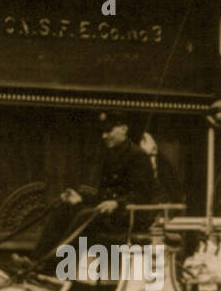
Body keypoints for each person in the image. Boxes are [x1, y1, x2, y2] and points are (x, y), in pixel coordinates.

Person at [29, 111, 157, 268]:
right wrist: (81, 198)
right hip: (109, 213)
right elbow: (104, 195)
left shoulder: (139, 157)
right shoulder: (110, 155)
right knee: (65, 208)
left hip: (129, 215)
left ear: (124, 129)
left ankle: (52, 265)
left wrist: (117, 203)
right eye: (103, 132)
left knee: (85, 215)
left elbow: (142, 195)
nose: (104, 136)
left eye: (108, 131)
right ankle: (36, 260)